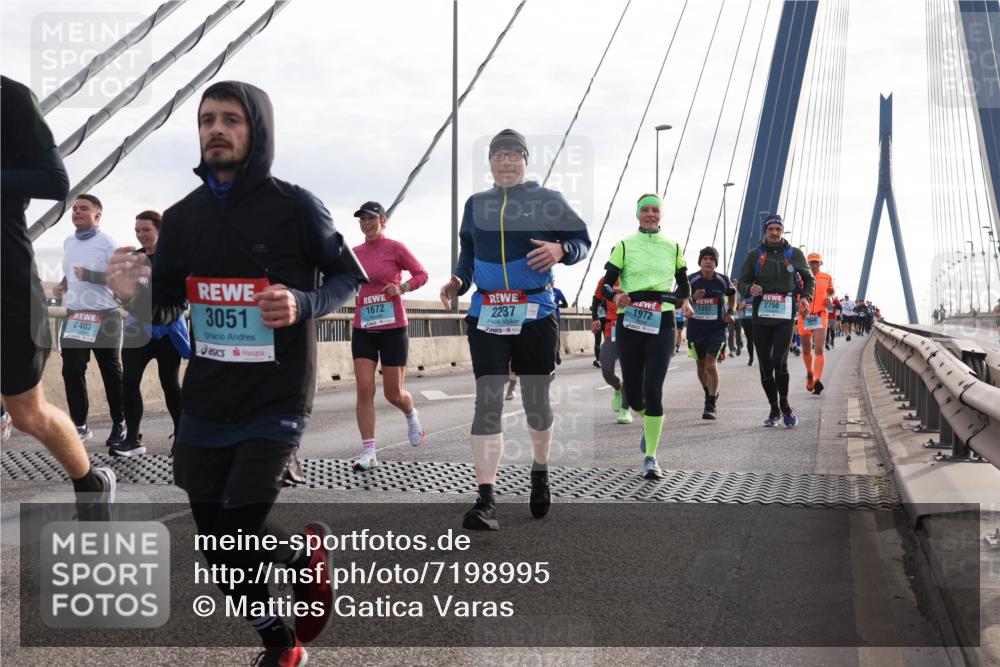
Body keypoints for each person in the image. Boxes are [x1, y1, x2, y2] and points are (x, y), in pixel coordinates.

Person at [107, 81, 364, 665]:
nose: (216, 129)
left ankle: (296, 589)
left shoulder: (296, 205)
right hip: (207, 396)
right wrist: (132, 298)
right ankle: (284, 635)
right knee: (218, 546)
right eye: (206, 120)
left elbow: (347, 277)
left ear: (257, 130)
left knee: (240, 523)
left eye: (230, 119)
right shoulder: (183, 217)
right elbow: (167, 308)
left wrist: (303, 301)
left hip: (275, 395)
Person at [439, 128, 591, 530]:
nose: (506, 162)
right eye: (498, 155)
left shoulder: (548, 200)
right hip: (488, 312)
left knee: (537, 403)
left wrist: (562, 249)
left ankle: (539, 471)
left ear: (525, 160)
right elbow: (468, 252)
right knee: (487, 400)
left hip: (536, 311)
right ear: (489, 162)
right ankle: (485, 498)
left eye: (513, 155)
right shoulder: (476, 204)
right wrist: (458, 281)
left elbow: (581, 242)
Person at [1, 75, 116, 516]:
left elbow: (54, 180)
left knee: (28, 413)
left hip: (5, 280)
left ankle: (89, 483)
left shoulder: (8, 97)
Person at [601, 193, 689, 479]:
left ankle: (651, 457)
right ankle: (646, 419)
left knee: (654, 389)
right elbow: (606, 286)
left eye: (655, 210)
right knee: (636, 395)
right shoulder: (624, 246)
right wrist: (617, 294)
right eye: (645, 210)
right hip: (631, 322)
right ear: (638, 214)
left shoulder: (674, 246)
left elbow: (684, 283)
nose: (650, 214)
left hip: (662, 321)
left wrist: (684, 301)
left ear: (661, 215)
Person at [350, 200, 428, 471]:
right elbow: (342, 280)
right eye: (362, 219)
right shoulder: (354, 253)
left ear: (382, 220)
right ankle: (369, 451)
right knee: (364, 388)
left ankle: (411, 412)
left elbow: (422, 274)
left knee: (393, 393)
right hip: (364, 327)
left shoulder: (395, 248)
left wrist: (402, 286)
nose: (366, 223)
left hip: (393, 327)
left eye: (371, 218)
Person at [53, 194, 127, 447]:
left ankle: (120, 422)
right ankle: (80, 426)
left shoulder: (108, 243)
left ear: (97, 215)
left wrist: (91, 275)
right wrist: (63, 285)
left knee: (111, 372)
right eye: (74, 209)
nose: (77, 212)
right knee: (71, 370)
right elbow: (71, 272)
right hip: (76, 316)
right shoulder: (68, 242)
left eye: (84, 209)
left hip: (105, 315)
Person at [116, 210, 190, 457]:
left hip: (167, 330)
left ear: (160, 231)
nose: (141, 235)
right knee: (129, 382)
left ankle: (182, 437)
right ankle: (133, 439)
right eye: (137, 230)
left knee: (169, 383)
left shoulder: (175, 258)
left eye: (146, 230)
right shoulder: (134, 259)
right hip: (138, 329)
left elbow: (184, 293)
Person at [737, 214, 815, 428]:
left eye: (778, 229)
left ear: (782, 231)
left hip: (784, 316)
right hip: (761, 317)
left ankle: (786, 405)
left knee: (779, 361)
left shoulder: (794, 254)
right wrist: (748, 289)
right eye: (771, 229)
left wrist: (806, 298)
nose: (774, 233)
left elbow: (809, 279)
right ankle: (774, 409)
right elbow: (742, 281)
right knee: (764, 366)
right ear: (766, 231)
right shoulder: (755, 255)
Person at [682, 246, 735, 420]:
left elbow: (732, 293)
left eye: (711, 259)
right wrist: (692, 298)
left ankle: (711, 404)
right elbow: (677, 302)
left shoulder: (722, 280)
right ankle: (708, 392)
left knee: (710, 365)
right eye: (705, 258)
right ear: (699, 262)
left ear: (715, 263)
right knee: (700, 366)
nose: (708, 261)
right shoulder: (690, 280)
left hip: (716, 330)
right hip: (696, 331)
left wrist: (730, 312)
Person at [591, 276, 631, 424]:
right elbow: (596, 299)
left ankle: (625, 410)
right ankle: (617, 387)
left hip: (632, 325)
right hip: (612, 328)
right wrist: (594, 318)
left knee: (629, 370)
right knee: (607, 369)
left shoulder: (636, 275)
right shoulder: (606, 279)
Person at [796, 252, 834, 396]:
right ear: (807, 263)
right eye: (811, 262)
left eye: (816, 262)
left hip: (820, 315)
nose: (814, 265)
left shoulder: (826, 277)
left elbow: (831, 292)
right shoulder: (800, 277)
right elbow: (795, 294)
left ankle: (817, 379)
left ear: (820, 263)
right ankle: (810, 373)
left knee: (819, 348)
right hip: (804, 316)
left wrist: (829, 299)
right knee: (806, 349)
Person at [589, 276, 607, 368]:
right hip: (598, 320)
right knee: (597, 340)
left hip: (608, 320)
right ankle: (598, 359)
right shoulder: (596, 297)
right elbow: (593, 306)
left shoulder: (610, 295)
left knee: (609, 340)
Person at [551, 280, 569, 365]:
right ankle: (550, 355)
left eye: (552, 280)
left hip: (556, 317)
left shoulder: (557, 291)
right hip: (544, 318)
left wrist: (557, 305)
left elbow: (565, 304)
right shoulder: (543, 291)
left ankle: (557, 354)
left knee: (556, 338)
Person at [739, 294, 755, 366]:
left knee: (759, 340)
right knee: (750, 340)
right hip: (746, 319)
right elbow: (739, 308)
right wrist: (742, 306)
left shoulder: (759, 293)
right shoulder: (744, 295)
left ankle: (762, 358)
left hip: (757, 320)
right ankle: (751, 358)